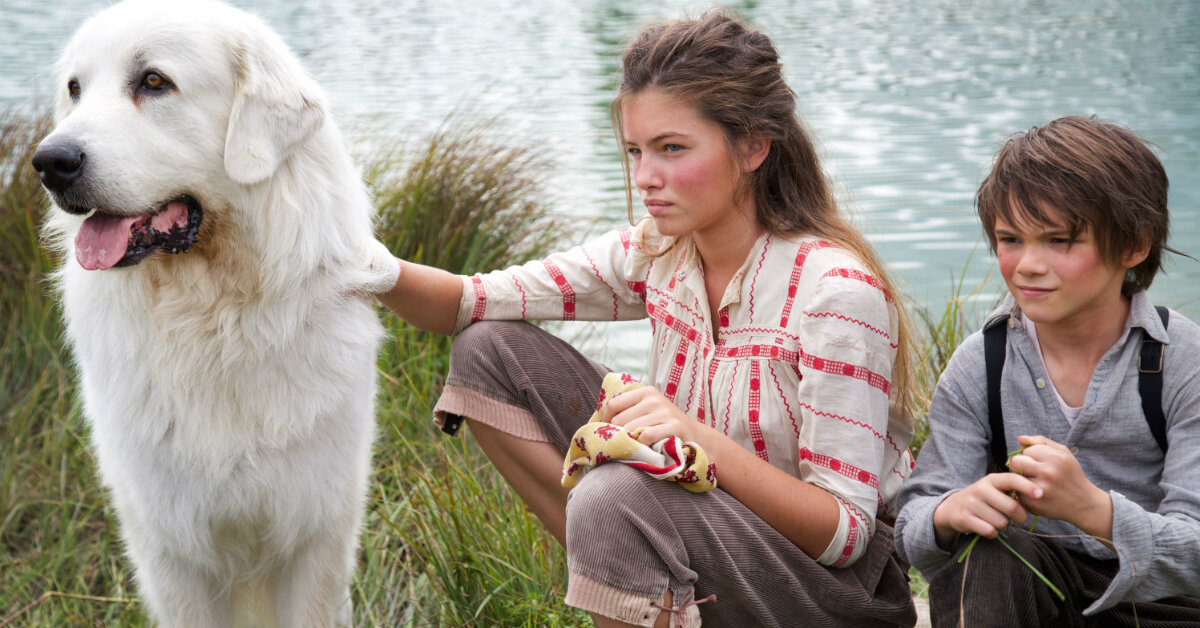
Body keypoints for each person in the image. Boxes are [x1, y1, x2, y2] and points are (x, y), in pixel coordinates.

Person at [370, 10, 918, 627]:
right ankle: (631, 580)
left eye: (671, 149)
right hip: (702, 524)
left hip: (835, 593)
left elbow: (843, 534)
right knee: (487, 348)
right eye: (635, 150)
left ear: (753, 146)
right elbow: (467, 302)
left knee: (615, 494)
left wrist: (692, 436)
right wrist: (359, 265)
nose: (645, 178)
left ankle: (626, 561)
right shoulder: (658, 250)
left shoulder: (835, 292)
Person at [894, 116, 1200, 626]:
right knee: (987, 551)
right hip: (1026, 594)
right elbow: (913, 525)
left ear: (1134, 245)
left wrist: (1094, 511)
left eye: (1059, 241)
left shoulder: (1181, 360)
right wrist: (949, 513)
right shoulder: (982, 363)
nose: (1028, 265)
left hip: (1163, 604)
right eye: (1010, 239)